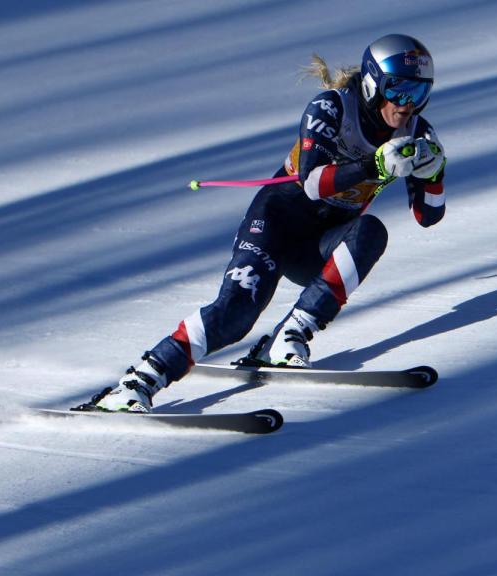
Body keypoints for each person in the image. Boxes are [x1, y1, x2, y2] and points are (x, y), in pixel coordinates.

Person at [90, 33, 447, 412]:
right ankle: (140, 380)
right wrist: (373, 165)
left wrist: (434, 172)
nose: (407, 105)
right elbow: (311, 183)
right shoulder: (332, 107)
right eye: (399, 90)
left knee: (371, 231)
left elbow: (428, 216)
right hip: (277, 221)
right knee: (236, 314)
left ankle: (290, 335)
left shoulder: (417, 133)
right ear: (374, 82)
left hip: (320, 243)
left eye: (419, 93)